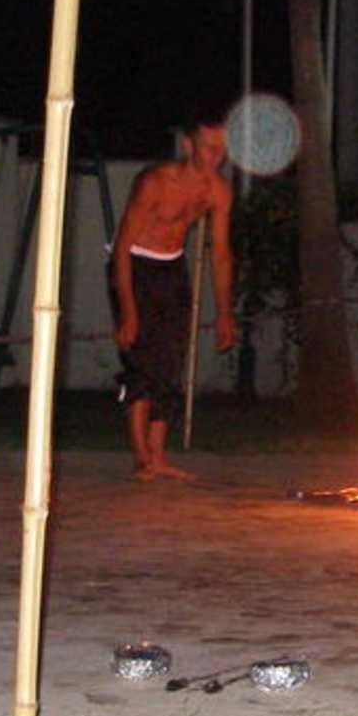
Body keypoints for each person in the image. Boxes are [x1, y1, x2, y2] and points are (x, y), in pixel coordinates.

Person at [110, 104, 237, 479]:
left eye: (222, 149)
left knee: (171, 363)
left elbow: (221, 254)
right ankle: (141, 458)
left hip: (172, 268)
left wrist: (224, 314)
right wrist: (128, 311)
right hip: (135, 265)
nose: (216, 156)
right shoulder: (155, 182)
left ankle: (158, 456)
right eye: (209, 147)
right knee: (141, 361)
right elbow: (121, 248)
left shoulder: (218, 191)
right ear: (188, 145)